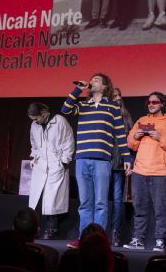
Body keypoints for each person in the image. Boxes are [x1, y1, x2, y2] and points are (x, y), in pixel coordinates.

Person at [61, 74, 132, 248]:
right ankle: (83, 238)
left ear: (105, 86)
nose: (92, 82)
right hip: (82, 159)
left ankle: (98, 241)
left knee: (100, 203)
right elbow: (65, 109)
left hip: (102, 160)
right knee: (85, 203)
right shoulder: (83, 105)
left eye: (96, 80)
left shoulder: (113, 106)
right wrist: (78, 88)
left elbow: (120, 135)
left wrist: (126, 157)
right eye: (91, 80)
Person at [124, 92, 166, 251]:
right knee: (139, 207)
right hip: (140, 171)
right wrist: (135, 137)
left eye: (155, 102)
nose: (151, 104)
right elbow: (131, 144)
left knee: (160, 209)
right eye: (149, 102)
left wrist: (160, 137)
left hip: (160, 172)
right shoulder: (141, 121)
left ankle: (160, 241)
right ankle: (138, 239)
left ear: (162, 104)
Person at [27, 102, 75, 240]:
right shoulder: (34, 125)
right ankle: (33, 228)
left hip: (56, 164)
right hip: (41, 164)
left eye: (36, 118)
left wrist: (64, 161)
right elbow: (34, 144)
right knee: (38, 199)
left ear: (43, 113)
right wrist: (34, 157)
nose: (34, 121)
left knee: (52, 199)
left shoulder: (59, 121)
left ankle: (51, 229)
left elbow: (69, 141)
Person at [108, 88, 133, 247]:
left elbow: (129, 143)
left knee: (117, 199)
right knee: (101, 199)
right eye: (114, 96)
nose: (118, 99)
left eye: (119, 96)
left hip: (118, 164)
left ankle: (115, 233)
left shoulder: (126, 116)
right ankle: (97, 232)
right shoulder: (103, 114)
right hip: (103, 161)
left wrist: (127, 160)